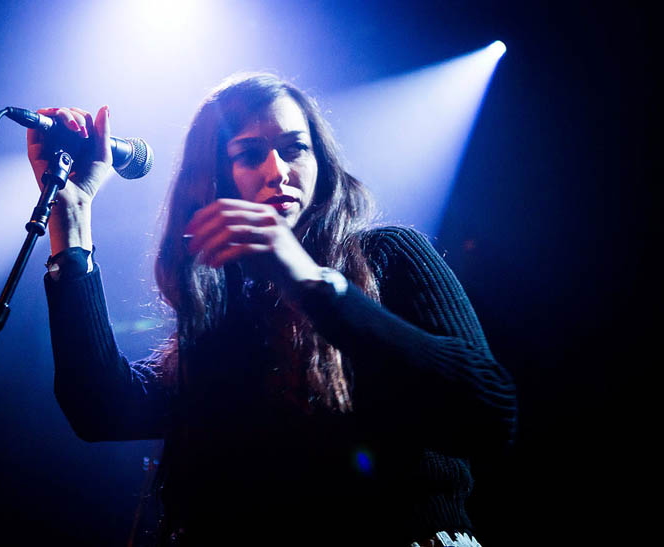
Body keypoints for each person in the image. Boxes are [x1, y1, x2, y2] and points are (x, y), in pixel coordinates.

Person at [29, 73, 517, 546]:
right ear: (215, 177)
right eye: (249, 154)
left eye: (294, 149)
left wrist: (307, 281)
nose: (278, 171)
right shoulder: (221, 312)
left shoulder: (390, 254)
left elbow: (488, 413)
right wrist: (70, 216)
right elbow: (102, 411)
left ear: (320, 161)